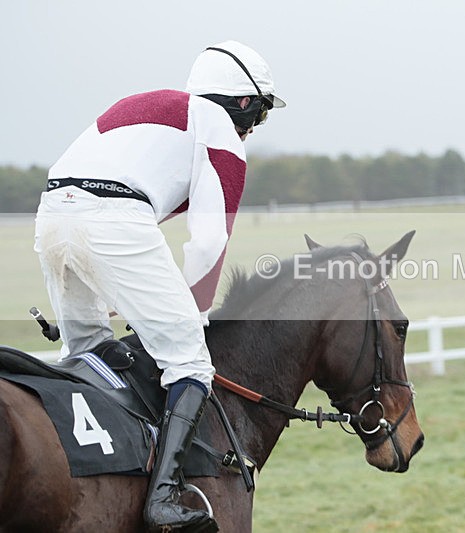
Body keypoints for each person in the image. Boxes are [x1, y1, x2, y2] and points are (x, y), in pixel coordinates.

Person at [33, 40, 285, 531]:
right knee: (189, 360)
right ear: (244, 102)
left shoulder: (145, 106)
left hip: (50, 217)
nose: (254, 128)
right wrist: (195, 311)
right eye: (259, 114)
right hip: (114, 218)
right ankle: (164, 498)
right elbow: (209, 240)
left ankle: (94, 469)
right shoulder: (218, 129)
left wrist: (120, 295)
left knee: (87, 352)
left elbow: (92, 204)